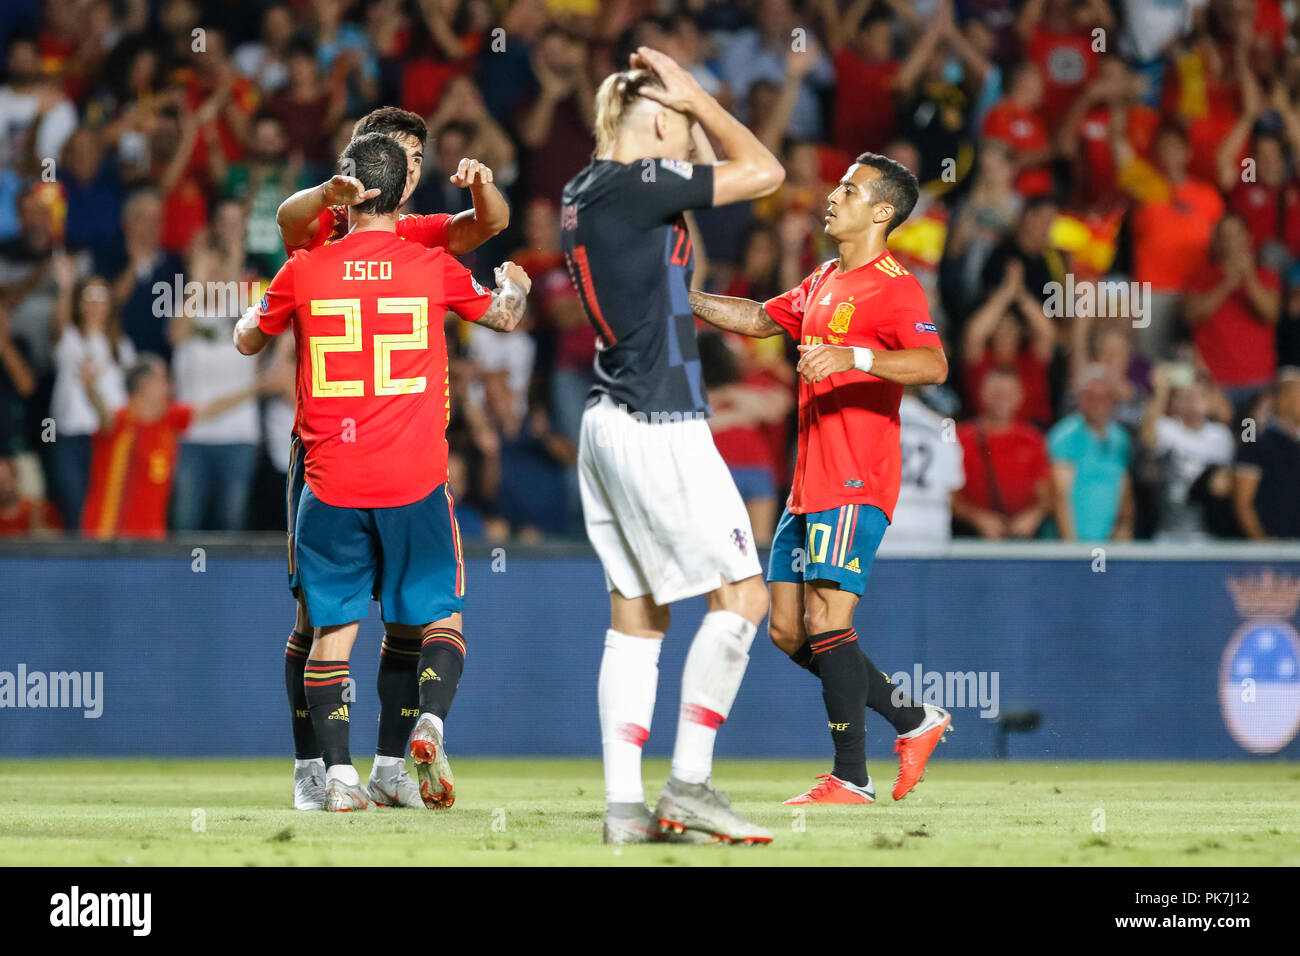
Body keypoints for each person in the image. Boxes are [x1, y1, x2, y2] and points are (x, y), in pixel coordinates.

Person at [235, 132, 531, 812]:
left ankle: (341, 780)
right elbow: (505, 314)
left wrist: (255, 312)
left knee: (329, 631)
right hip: (414, 479)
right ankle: (424, 724)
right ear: (402, 189)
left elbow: (247, 339)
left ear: (353, 184)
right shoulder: (428, 264)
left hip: (330, 477)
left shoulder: (306, 265)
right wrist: (513, 283)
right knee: (435, 618)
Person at [562, 47, 784, 845]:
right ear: (657, 122)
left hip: (609, 420)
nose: (695, 140)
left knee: (639, 619)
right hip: (659, 423)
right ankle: (689, 784)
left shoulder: (588, 191)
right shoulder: (638, 182)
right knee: (744, 598)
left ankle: (626, 810)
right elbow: (764, 171)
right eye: (683, 123)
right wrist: (700, 97)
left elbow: (670, 292)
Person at [691, 151, 952, 807]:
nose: (833, 196)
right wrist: (684, 299)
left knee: (827, 618)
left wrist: (855, 354)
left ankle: (851, 777)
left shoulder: (896, 286)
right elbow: (758, 318)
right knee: (786, 628)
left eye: (849, 189)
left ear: (883, 211)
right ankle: (913, 719)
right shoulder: (825, 276)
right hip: (807, 483)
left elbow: (933, 365)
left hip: (856, 478)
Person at [79, 354, 269, 540]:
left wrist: (258, 387)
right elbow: (103, 413)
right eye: (163, 379)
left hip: (152, 541)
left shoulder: (168, 420)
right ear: (144, 386)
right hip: (108, 540)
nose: (170, 386)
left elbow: (212, 409)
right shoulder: (120, 423)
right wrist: (90, 389)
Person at [954, 369, 1054, 540]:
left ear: (1020, 396)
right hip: (969, 537)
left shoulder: (1033, 439)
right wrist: (978, 518)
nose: (1002, 398)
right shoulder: (959, 438)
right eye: (996, 392)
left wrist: (1032, 517)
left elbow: (1047, 495)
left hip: (1021, 537)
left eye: (1008, 393)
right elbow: (948, 495)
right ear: (982, 394)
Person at [1048, 364, 1134, 541]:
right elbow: (1059, 495)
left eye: (1105, 397)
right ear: (1080, 398)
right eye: (1091, 397)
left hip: (1106, 543)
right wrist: (1071, 547)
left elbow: (1123, 487)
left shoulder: (1120, 438)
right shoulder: (1065, 435)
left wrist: (1123, 529)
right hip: (1074, 542)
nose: (1098, 403)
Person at [1234, 370, 1300, 540]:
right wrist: (1264, 546)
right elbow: (1243, 502)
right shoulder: (1256, 442)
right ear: (1283, 399)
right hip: (1273, 551)